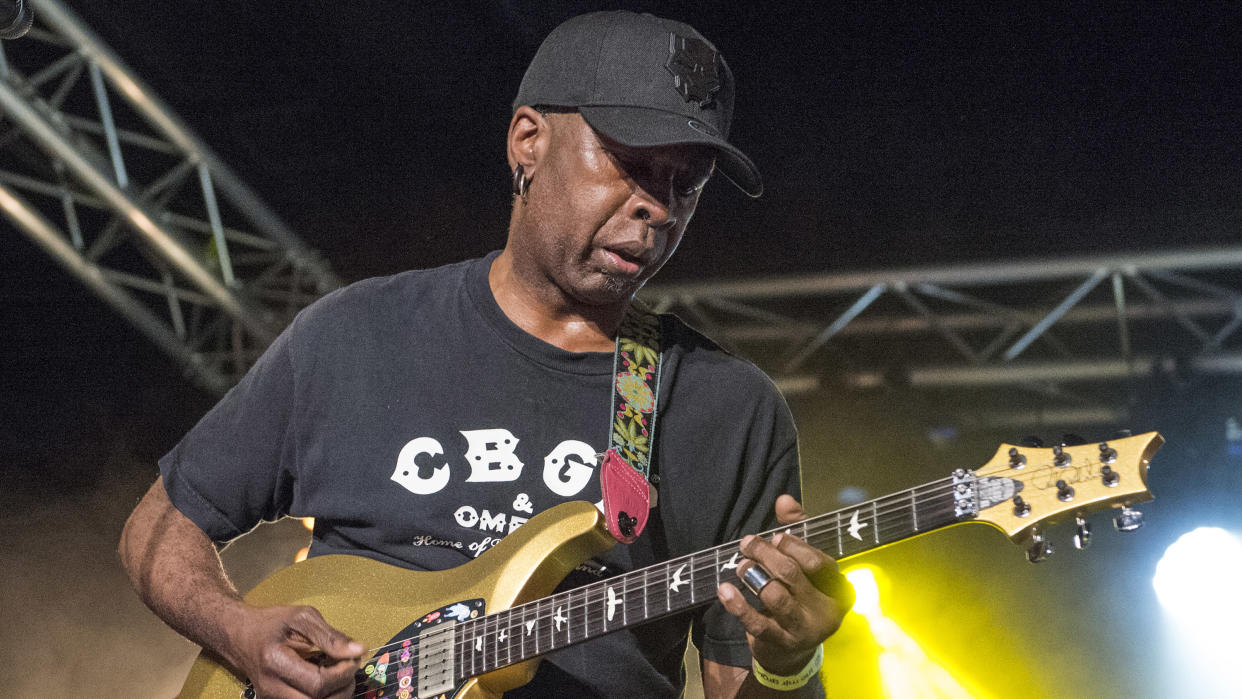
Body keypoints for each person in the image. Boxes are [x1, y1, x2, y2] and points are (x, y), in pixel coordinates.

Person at [121, 11, 852, 698]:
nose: (657, 207)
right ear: (528, 141)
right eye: (631, 164)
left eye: (683, 184)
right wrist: (241, 631)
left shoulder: (729, 407)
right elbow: (157, 528)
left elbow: (734, 678)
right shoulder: (358, 333)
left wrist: (788, 661)